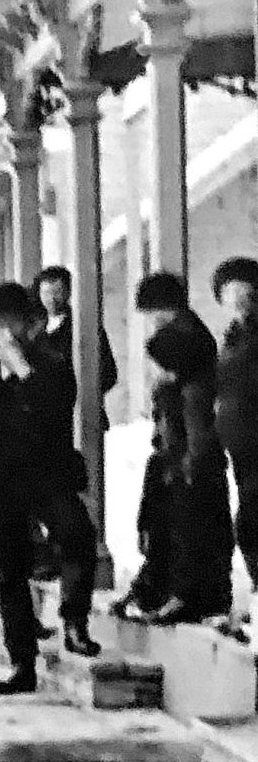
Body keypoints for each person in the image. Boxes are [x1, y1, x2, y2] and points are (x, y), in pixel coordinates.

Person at [0, 282, 102, 693]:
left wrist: (22, 369)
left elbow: (59, 407)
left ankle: (74, 623)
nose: (5, 333)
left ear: (28, 324)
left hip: (44, 473)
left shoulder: (51, 363)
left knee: (77, 536)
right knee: (10, 572)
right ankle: (22, 664)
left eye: (12, 324)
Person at [118, 271, 235, 626]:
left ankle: (185, 596)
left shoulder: (186, 358)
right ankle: (163, 590)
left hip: (187, 456)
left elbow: (193, 421)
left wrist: (185, 462)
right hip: (179, 453)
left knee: (189, 529)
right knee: (169, 525)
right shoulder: (189, 344)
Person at [213, 255, 258, 617]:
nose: (231, 295)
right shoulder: (236, 334)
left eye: (236, 286)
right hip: (241, 445)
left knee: (252, 521)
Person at [35, 265, 119, 429]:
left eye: (57, 292)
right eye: (46, 293)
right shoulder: (34, 330)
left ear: (68, 292)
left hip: (78, 414)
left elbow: (108, 372)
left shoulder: (84, 326)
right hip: (43, 417)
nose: (51, 299)